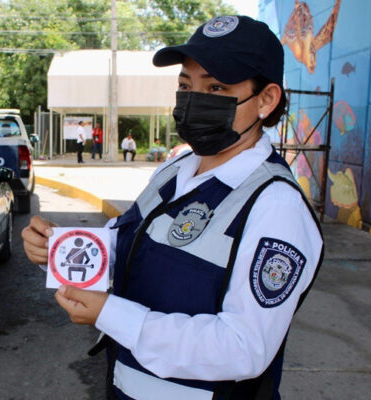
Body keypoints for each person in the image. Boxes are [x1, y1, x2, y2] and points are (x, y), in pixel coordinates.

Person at [21, 15, 323, 400]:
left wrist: (112, 315)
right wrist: (60, 247)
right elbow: (125, 245)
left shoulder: (275, 205)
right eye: (185, 85)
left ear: (266, 100)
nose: (194, 100)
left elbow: (244, 348)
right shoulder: (174, 170)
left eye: (216, 87)